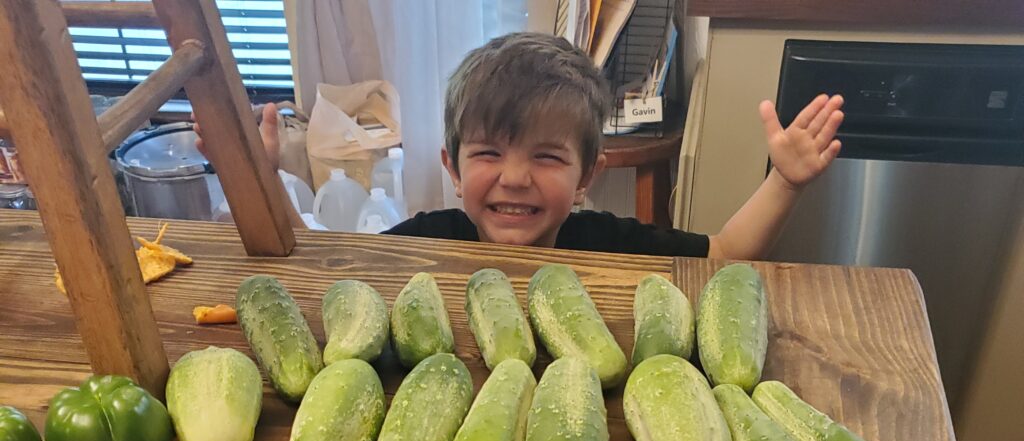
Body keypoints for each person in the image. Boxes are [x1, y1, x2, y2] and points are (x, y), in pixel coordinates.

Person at [199, 33, 843, 259]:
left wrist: (783, 182)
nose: (514, 178)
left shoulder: (610, 246)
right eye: (488, 154)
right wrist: (248, 176)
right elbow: (319, 261)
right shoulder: (430, 238)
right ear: (451, 167)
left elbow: (725, 253)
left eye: (546, 156)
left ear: (586, 174)